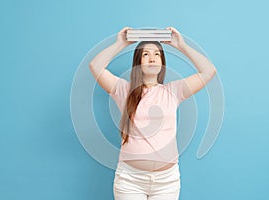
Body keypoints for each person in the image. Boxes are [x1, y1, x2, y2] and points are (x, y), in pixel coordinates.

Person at [89, 27, 217, 200]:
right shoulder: (124, 90)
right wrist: (120, 43)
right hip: (130, 180)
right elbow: (95, 66)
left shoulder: (174, 91)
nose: (152, 58)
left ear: (162, 62)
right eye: (146, 54)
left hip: (167, 182)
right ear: (138, 62)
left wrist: (181, 46)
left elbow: (209, 71)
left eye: (157, 54)